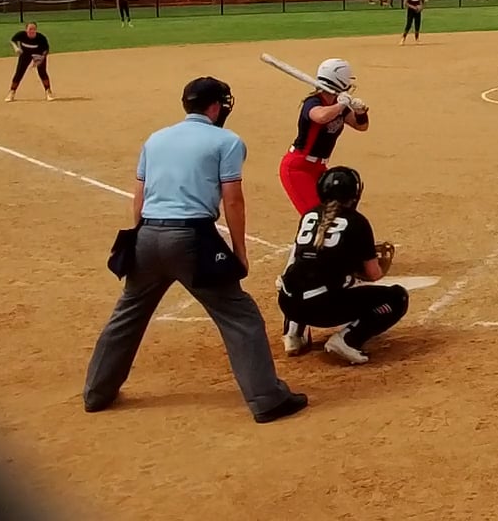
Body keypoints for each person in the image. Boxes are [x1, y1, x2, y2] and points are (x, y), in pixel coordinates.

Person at [83, 77, 306, 423]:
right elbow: (233, 199)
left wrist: (142, 237)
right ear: (215, 107)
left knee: (128, 314)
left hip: (147, 234)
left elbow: (139, 196)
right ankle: (266, 399)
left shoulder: (156, 138)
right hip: (191, 238)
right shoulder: (227, 141)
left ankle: (97, 392)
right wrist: (239, 251)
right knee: (240, 316)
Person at [278, 166, 408, 365]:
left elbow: (302, 258)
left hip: (287, 303)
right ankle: (348, 340)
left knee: (303, 278)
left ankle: (293, 333)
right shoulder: (357, 222)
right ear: (354, 194)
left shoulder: (309, 215)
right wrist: (360, 266)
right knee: (397, 298)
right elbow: (373, 274)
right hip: (321, 309)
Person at [278, 58, 369, 215]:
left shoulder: (338, 105)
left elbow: (361, 126)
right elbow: (320, 117)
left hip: (319, 168)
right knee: (318, 216)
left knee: (335, 214)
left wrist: (360, 112)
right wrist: (340, 105)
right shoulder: (313, 102)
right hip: (298, 168)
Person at [6, 22, 52, 102]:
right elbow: (13, 40)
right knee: (19, 72)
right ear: (26, 30)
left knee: (42, 72)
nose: (32, 31)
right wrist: (16, 48)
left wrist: (40, 59)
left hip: (38, 54)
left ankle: (48, 91)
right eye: (30, 29)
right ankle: (12, 92)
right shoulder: (21, 35)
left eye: (34, 29)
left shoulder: (41, 38)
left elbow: (46, 50)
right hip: (25, 54)